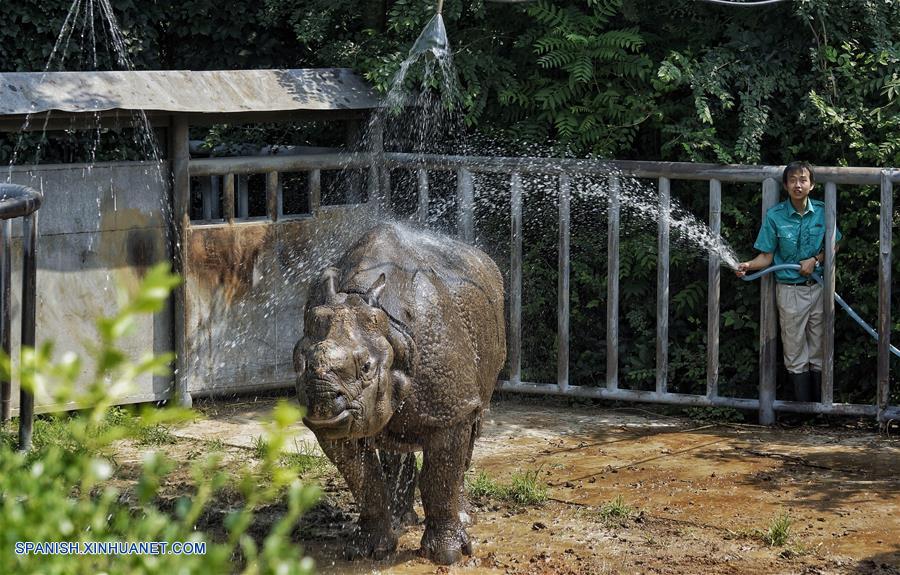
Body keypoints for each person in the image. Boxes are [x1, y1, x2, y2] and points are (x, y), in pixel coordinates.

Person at [735, 161, 841, 402]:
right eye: (792, 180)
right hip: (789, 290)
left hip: (820, 288)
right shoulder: (775, 216)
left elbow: (834, 244)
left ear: (812, 185)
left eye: (803, 180)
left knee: (820, 348)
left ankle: (820, 410)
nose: (798, 185)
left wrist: (815, 259)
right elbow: (766, 256)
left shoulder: (825, 211)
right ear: (785, 185)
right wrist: (748, 265)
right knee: (794, 350)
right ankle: (803, 411)